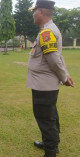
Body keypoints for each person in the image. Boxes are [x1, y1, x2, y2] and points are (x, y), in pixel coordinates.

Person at [28, 1, 74, 157]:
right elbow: (58, 57)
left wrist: (64, 77)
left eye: (34, 12)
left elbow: (54, 60)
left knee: (46, 118)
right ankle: (51, 144)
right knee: (50, 116)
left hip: (44, 85)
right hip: (45, 84)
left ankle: (51, 152)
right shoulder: (48, 30)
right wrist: (65, 74)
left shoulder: (47, 32)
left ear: (40, 12)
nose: (33, 14)